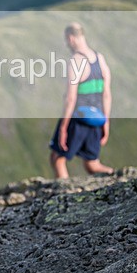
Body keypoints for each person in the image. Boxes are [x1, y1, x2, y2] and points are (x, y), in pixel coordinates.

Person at [49, 22, 114, 179]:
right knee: (92, 164)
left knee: (57, 159)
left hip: (78, 118)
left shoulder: (76, 61)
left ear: (71, 38)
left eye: (67, 41)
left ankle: (66, 193)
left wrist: (64, 127)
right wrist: (105, 121)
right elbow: (106, 94)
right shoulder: (100, 59)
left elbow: (71, 98)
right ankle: (115, 176)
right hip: (97, 118)